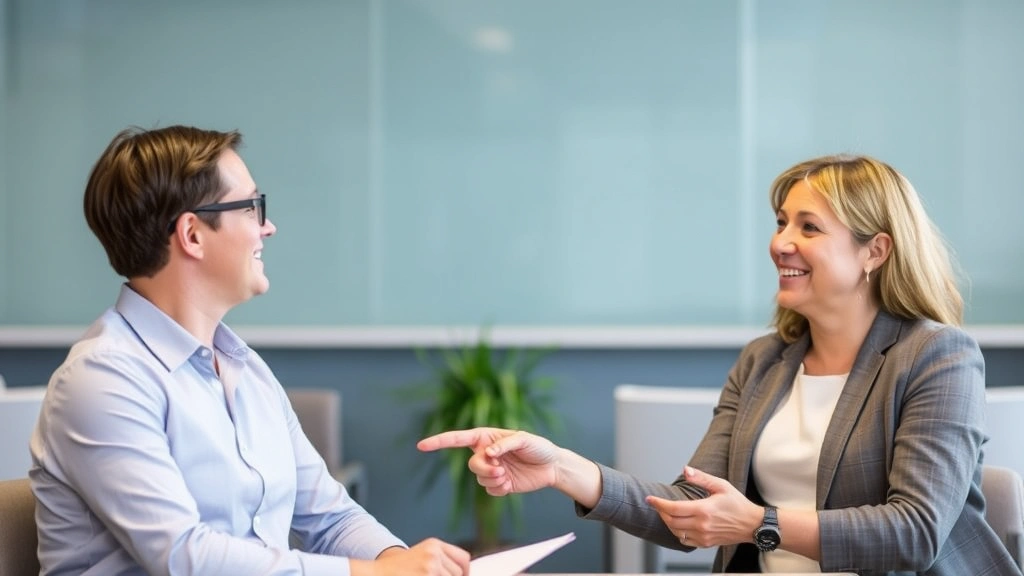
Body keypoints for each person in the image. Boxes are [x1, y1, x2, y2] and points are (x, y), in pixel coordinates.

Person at [419, 154, 1023, 575]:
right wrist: (562, 470)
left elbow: (914, 533)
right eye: (781, 221)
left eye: (808, 227)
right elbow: (691, 508)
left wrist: (759, 523)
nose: (781, 242)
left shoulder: (935, 356)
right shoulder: (764, 362)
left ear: (875, 251)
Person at [30, 125, 470, 576]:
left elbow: (329, 514)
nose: (269, 227)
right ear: (193, 234)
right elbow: (184, 556)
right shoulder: (102, 378)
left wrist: (397, 561)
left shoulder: (245, 369)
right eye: (253, 207)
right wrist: (373, 574)